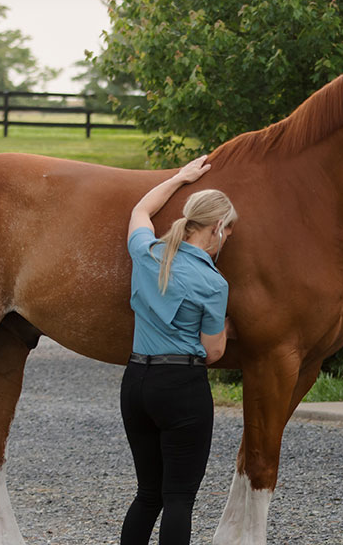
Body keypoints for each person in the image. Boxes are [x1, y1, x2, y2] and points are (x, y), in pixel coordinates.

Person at [121, 155, 235, 545]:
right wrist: (225, 329)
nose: (228, 236)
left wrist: (180, 177)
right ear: (217, 227)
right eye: (228, 229)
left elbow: (140, 210)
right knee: (179, 498)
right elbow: (213, 352)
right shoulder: (213, 283)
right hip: (181, 388)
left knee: (147, 494)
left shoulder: (147, 253)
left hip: (135, 382)